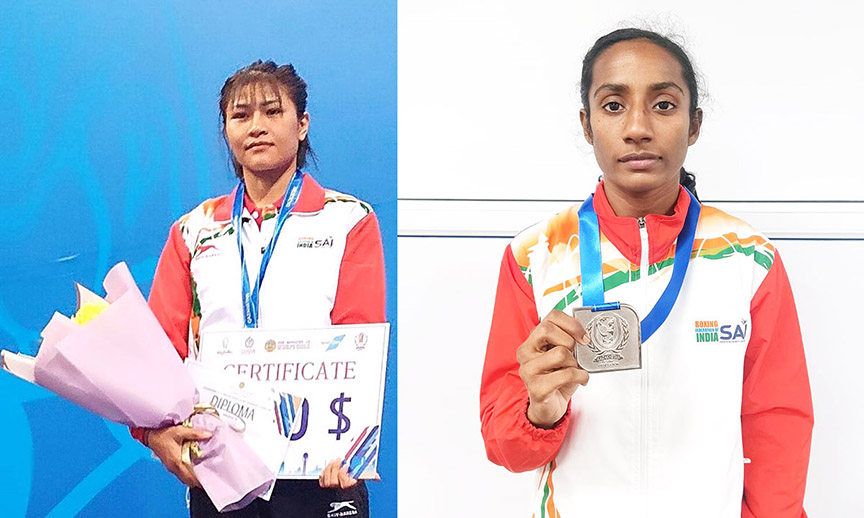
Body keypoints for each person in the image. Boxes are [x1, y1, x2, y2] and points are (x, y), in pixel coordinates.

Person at [479, 28, 813, 517]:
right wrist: (540, 413)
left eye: (663, 105)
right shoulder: (535, 256)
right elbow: (505, 446)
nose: (638, 127)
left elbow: (776, 426)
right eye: (613, 105)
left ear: (693, 124)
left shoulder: (748, 259)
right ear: (587, 124)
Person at [132, 61, 385, 517]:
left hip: (321, 469)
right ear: (226, 131)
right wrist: (155, 435)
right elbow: (158, 354)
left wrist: (352, 444)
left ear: (302, 124)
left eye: (272, 111)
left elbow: (359, 338)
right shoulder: (193, 230)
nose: (257, 127)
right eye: (240, 116)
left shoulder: (349, 220)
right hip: (222, 465)